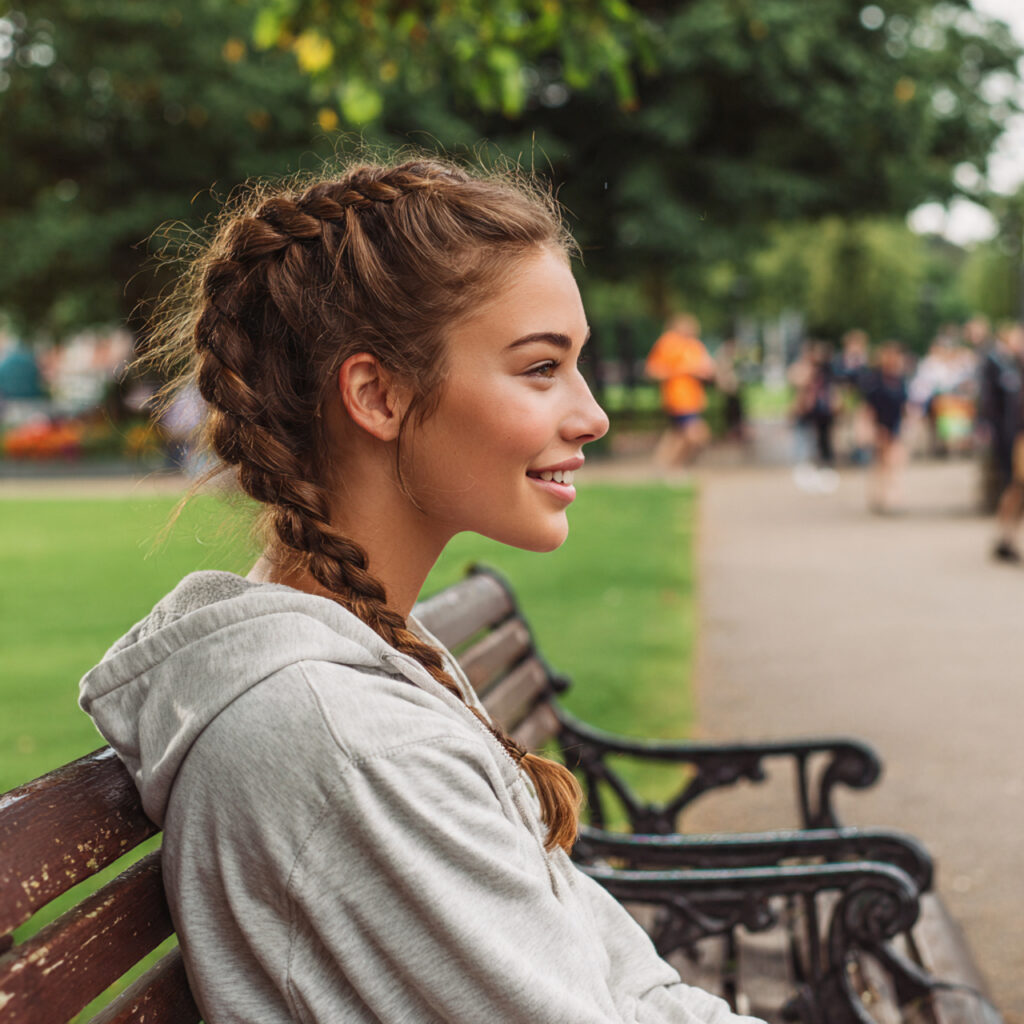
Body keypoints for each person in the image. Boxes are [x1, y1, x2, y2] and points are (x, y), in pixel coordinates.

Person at [78, 158, 762, 1024]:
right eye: (541, 369)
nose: (593, 416)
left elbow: (618, 980)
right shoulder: (343, 743)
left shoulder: (371, 667)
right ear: (378, 394)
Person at [645, 313, 716, 469]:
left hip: (693, 399)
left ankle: (667, 465)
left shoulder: (694, 345)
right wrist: (681, 371)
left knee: (679, 435)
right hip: (677, 398)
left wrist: (704, 371)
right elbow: (652, 370)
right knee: (695, 434)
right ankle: (671, 464)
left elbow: (708, 368)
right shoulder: (668, 343)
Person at [861, 341, 909, 514]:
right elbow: (868, 407)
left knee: (894, 462)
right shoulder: (875, 380)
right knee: (881, 464)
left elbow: (904, 405)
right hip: (879, 426)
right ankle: (881, 497)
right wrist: (872, 429)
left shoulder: (900, 379)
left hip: (894, 426)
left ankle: (891, 498)